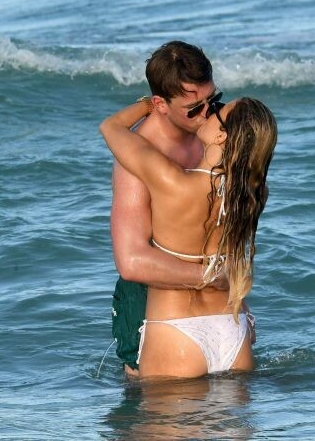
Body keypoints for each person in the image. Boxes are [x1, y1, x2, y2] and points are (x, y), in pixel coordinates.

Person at [100, 91, 277, 378]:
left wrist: (152, 104)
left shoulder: (172, 181)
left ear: (221, 135)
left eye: (217, 110)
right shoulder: (253, 197)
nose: (208, 112)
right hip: (233, 329)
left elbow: (110, 128)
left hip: (177, 331)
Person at [110, 41, 232, 377]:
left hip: (213, 305)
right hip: (150, 307)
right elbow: (132, 261)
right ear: (160, 105)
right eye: (193, 109)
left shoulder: (212, 132)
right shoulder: (138, 156)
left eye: (213, 100)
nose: (207, 114)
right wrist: (212, 278)